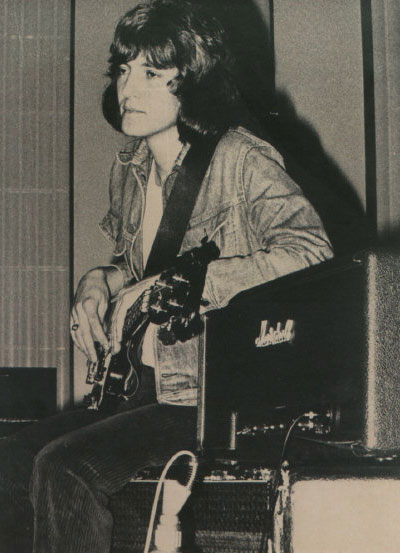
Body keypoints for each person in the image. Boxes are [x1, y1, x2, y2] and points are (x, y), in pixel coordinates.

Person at [0, 1, 332, 552]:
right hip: (141, 388)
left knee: (66, 469)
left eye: (152, 73)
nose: (129, 87)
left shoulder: (240, 158)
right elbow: (132, 266)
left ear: (194, 81)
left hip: (210, 397)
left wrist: (189, 285)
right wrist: (97, 281)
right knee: (11, 459)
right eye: (124, 69)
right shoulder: (129, 168)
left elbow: (312, 253)